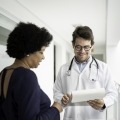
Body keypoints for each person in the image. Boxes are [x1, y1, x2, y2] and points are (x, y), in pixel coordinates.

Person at [0, 22, 62, 120]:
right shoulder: (27, 76)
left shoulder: (3, 73)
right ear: (28, 51)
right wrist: (56, 108)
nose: (43, 57)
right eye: (41, 52)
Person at [53, 25, 118, 120]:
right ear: (73, 45)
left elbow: (113, 93)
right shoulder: (64, 69)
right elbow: (56, 92)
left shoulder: (103, 68)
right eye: (78, 47)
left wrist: (104, 103)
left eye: (86, 47)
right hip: (71, 117)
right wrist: (62, 98)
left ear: (92, 46)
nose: (82, 51)